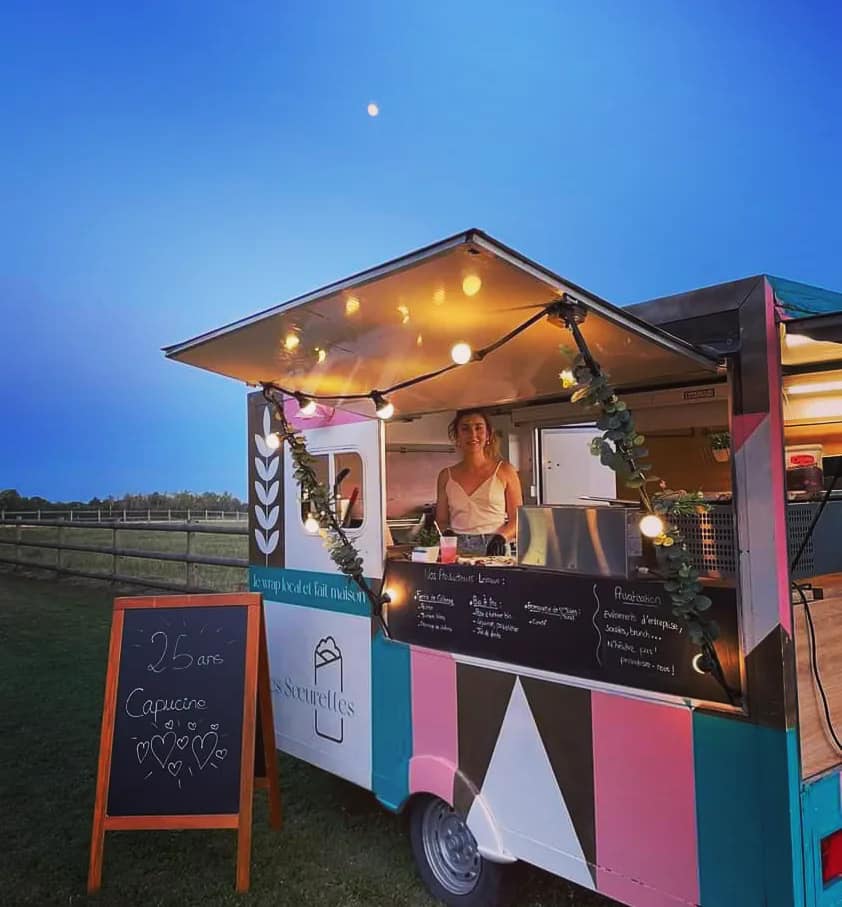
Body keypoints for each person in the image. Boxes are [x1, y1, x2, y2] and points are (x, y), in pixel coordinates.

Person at [435, 409, 523, 555]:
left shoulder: (505, 471)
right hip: (456, 549)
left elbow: (518, 519)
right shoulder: (446, 476)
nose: (473, 434)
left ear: (488, 434)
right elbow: (441, 520)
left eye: (478, 428)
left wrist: (501, 538)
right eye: (465, 429)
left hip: (494, 547)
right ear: (457, 436)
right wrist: (447, 533)